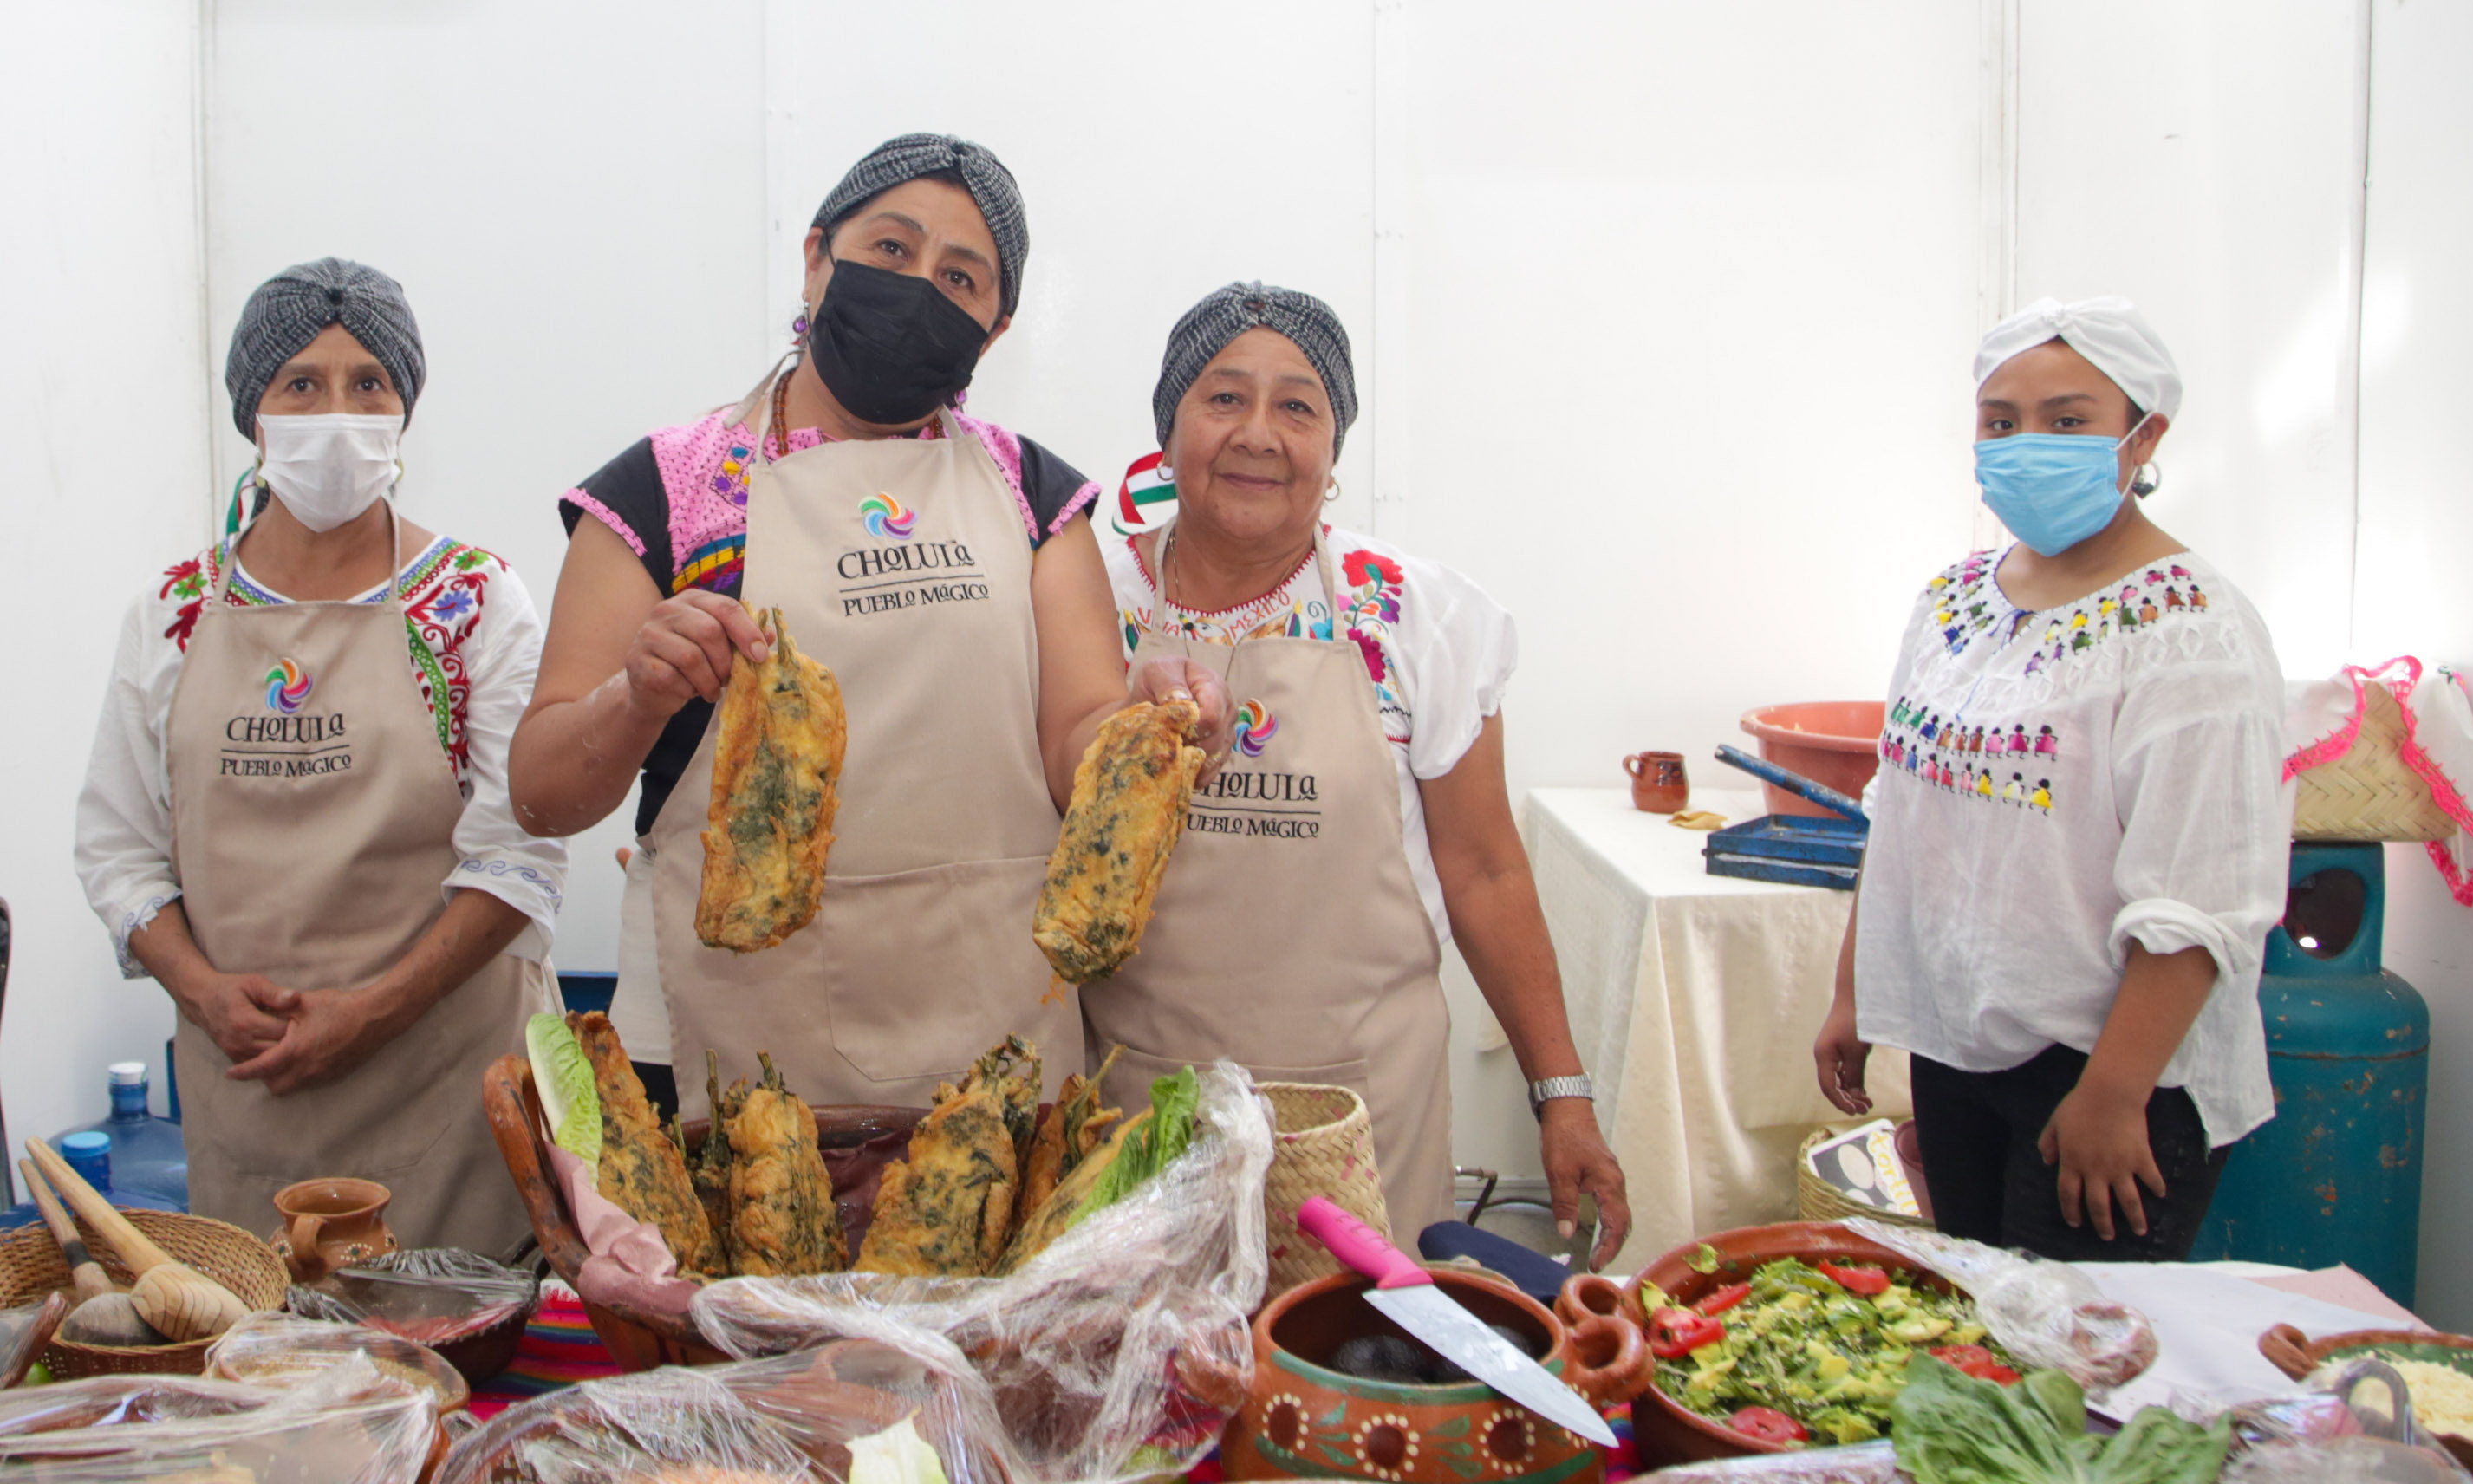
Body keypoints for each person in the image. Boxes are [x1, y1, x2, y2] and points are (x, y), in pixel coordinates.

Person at [511, 134, 1223, 1118]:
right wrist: (634, 696)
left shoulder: (1034, 496)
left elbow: (1076, 743)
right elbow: (542, 791)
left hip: (994, 1041)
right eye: (891, 250)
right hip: (723, 1046)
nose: (919, 287)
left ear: (994, 329)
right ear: (815, 258)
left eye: (960, 277)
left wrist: (1149, 732)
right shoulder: (662, 491)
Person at [1089, 283, 1633, 1264]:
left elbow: (1486, 871)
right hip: (1140, 1107)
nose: (1260, 433)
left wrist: (1563, 1095)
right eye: (1224, 398)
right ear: (1168, 431)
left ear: (1334, 450)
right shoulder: (1087, 606)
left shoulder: (1415, 616)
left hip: (1362, 1116)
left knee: (1353, 1379)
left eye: (1299, 406)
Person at [75, 258, 565, 1254]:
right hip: (252, 1093)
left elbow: (519, 855)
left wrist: (376, 1010)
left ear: (405, 411)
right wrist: (206, 993)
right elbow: (119, 852)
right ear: (252, 414)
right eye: (301, 383)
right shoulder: (172, 612)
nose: (336, 412)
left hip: (447, 1089)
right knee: (276, 1374)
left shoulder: (473, 599)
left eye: (367, 384)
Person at [1814, 296, 2290, 1260]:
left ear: (2144, 434)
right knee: (1985, 1342)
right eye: (2002, 421)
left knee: (2080, 1378)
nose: (2028, 444)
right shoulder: (1953, 602)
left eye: (2069, 421)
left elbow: (2200, 898)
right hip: (1959, 1046)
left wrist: (2114, 1096)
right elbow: (1899, 809)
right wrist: (1857, 993)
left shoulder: (2192, 630)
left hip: (2113, 1073)